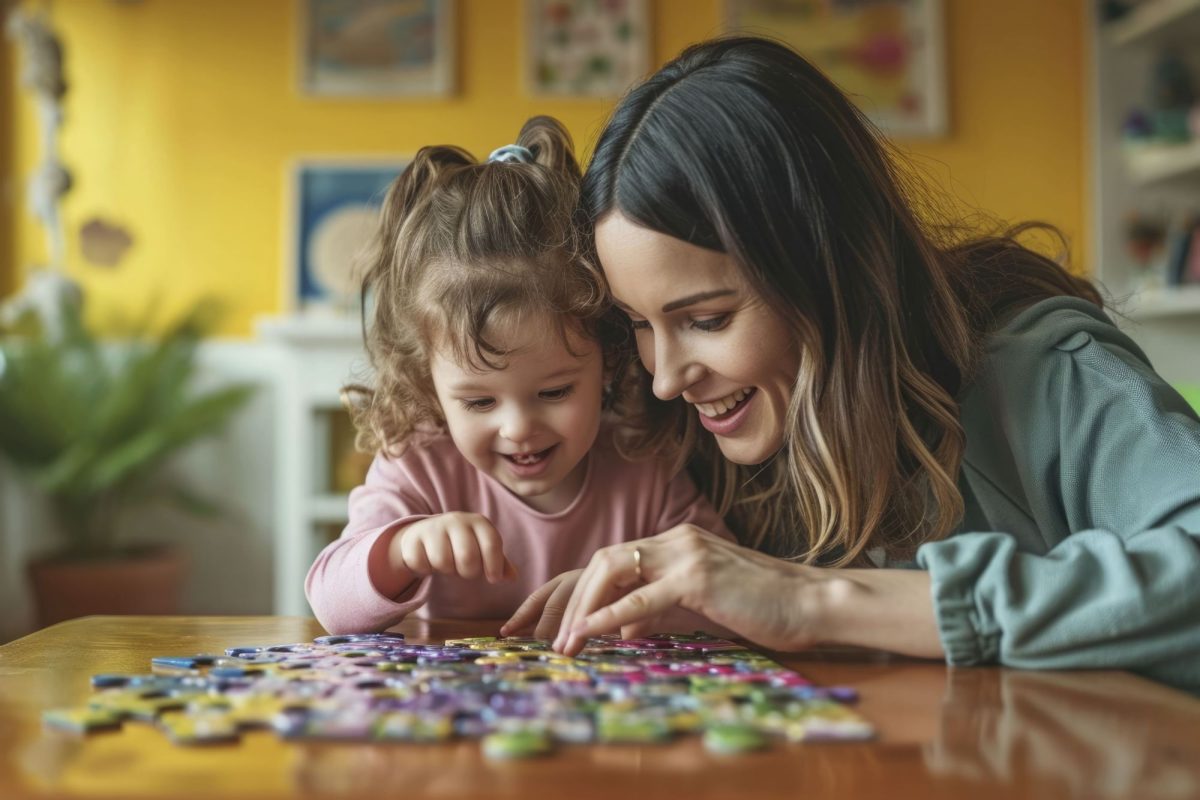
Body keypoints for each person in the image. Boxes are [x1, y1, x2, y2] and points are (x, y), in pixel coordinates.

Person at [504, 38, 1200, 692]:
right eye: (639, 324)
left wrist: (815, 600)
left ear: (825, 271)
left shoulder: (1046, 373)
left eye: (707, 320)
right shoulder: (698, 439)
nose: (666, 379)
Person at [305, 117, 733, 635]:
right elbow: (331, 604)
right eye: (479, 402)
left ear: (609, 360)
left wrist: (635, 594)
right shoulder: (418, 466)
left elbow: (724, 601)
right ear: (427, 385)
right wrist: (402, 549)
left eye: (554, 391)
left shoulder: (643, 468)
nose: (518, 428)